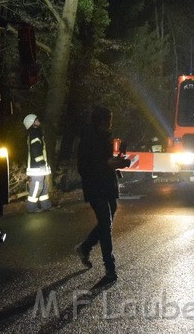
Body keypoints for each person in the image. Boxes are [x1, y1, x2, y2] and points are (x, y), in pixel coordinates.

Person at [74, 106, 131, 286]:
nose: (110, 123)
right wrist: (108, 165)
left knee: (108, 220)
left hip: (107, 185)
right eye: (108, 120)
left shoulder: (103, 137)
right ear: (100, 121)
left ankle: (85, 247)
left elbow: (105, 161)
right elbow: (86, 167)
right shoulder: (88, 140)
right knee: (105, 224)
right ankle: (110, 268)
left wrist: (116, 162)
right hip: (95, 187)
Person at [24, 114, 52, 212]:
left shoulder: (35, 132)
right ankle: (31, 207)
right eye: (36, 120)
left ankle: (46, 206)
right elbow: (36, 149)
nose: (38, 120)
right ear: (33, 123)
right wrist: (41, 163)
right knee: (37, 186)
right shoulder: (35, 133)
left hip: (38, 165)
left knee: (43, 186)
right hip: (37, 166)